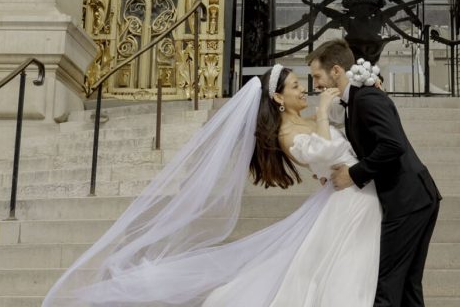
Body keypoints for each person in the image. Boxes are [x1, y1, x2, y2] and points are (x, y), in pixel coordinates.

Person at [42, 63, 382, 306]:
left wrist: (363, 91)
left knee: (334, 269)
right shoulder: (286, 133)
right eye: (294, 86)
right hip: (346, 196)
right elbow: (324, 149)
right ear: (278, 98)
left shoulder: (305, 120)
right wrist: (323, 112)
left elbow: (345, 123)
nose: (303, 89)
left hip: (349, 194)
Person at [309, 39, 441, 307]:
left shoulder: (367, 98)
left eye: (316, 76)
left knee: (386, 284)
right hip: (415, 198)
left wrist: (354, 174)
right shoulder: (356, 100)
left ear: (336, 70)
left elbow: (392, 145)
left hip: (407, 200)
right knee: (406, 286)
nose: (315, 85)